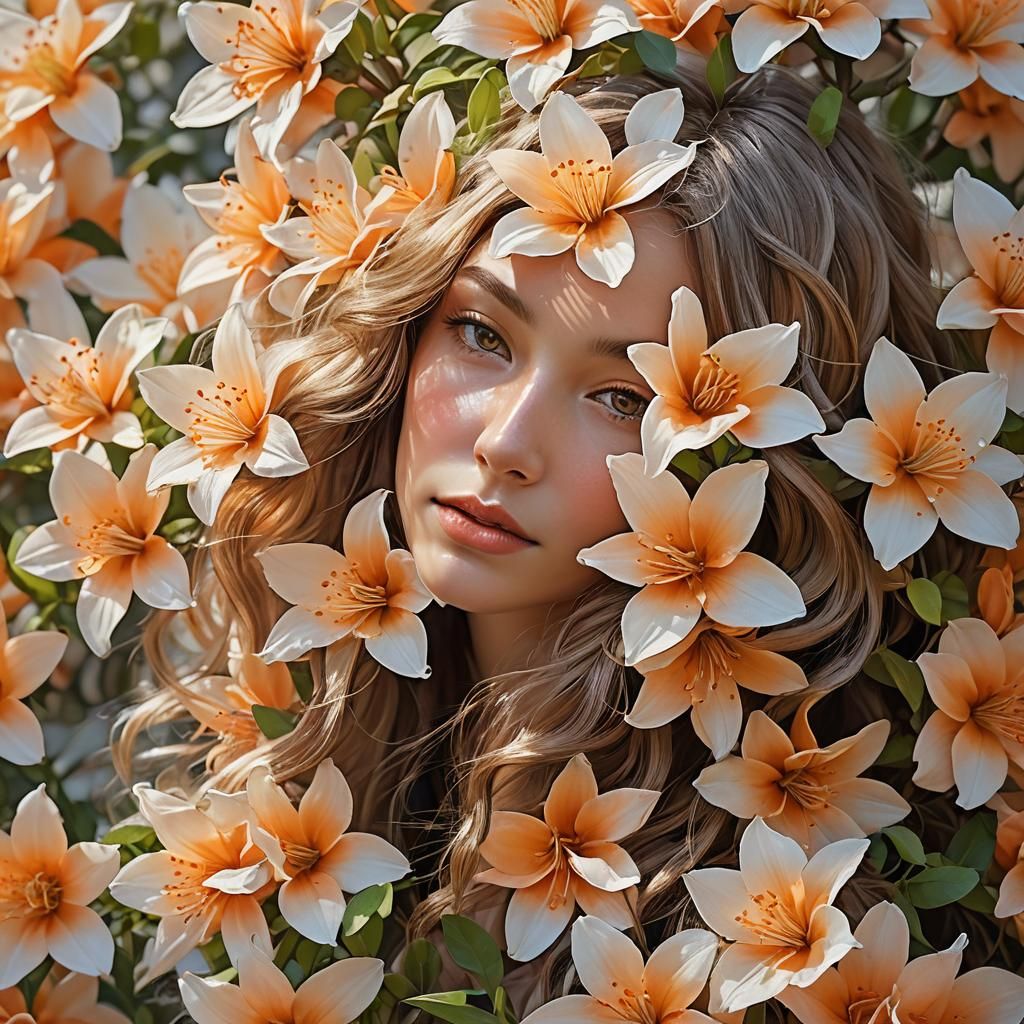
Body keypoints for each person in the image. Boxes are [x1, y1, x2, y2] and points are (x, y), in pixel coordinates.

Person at [111, 48, 969, 1011]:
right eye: (482, 334)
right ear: (404, 327)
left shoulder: (770, 942)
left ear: (764, 471)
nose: (506, 444)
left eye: (618, 397)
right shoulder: (282, 745)